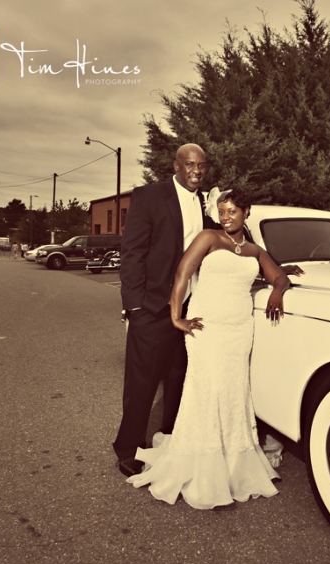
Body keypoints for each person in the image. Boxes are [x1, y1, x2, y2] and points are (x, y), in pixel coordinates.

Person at [127, 190, 290, 508]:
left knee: (233, 392)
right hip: (208, 327)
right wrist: (176, 317)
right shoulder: (208, 237)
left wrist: (277, 292)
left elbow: (279, 277)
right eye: (222, 212)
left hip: (240, 330)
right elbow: (182, 273)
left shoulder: (255, 250)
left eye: (232, 211)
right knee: (210, 389)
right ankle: (202, 464)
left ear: (246, 212)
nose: (226, 217)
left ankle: (232, 465)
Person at [113, 143, 219, 478]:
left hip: (189, 308)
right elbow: (132, 253)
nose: (196, 171)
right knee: (142, 383)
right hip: (153, 307)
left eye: (201, 166)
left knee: (178, 379)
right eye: (190, 165)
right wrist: (134, 306)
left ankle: (169, 439)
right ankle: (127, 448)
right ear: (176, 165)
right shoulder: (148, 197)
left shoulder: (206, 203)